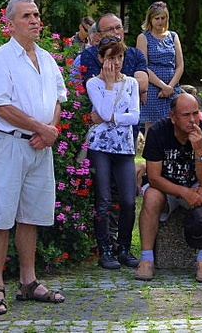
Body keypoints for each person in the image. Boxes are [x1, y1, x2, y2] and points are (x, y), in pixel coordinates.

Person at [0, 0, 67, 314]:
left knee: (31, 214)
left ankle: (28, 281)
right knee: (1, 215)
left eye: (37, 15)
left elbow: (59, 98)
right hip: (10, 144)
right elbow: (0, 105)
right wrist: (39, 129)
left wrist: (50, 130)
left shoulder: (46, 58)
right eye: (27, 16)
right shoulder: (0, 59)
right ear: (10, 23)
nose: (35, 20)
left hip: (40, 147)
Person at [135, 93, 202, 282]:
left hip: (195, 187)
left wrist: (199, 150)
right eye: (186, 115)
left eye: (195, 114)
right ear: (173, 117)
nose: (192, 120)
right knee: (151, 196)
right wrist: (183, 192)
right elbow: (154, 178)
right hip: (166, 188)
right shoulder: (158, 131)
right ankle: (146, 259)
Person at [85, 38, 141, 269]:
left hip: (124, 148)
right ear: (101, 59)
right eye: (111, 58)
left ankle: (124, 248)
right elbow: (104, 110)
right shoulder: (93, 84)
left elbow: (135, 116)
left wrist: (113, 118)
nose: (116, 63)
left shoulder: (131, 84)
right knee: (103, 200)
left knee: (128, 200)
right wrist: (108, 86)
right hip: (100, 148)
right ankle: (105, 249)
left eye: (119, 57)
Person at [136, 2, 184, 131]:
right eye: (157, 18)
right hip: (153, 86)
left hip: (172, 84)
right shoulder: (143, 37)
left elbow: (180, 66)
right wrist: (163, 86)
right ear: (150, 19)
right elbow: (143, 66)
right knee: (152, 128)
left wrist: (170, 87)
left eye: (163, 18)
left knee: (174, 124)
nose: (160, 21)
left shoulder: (173, 36)